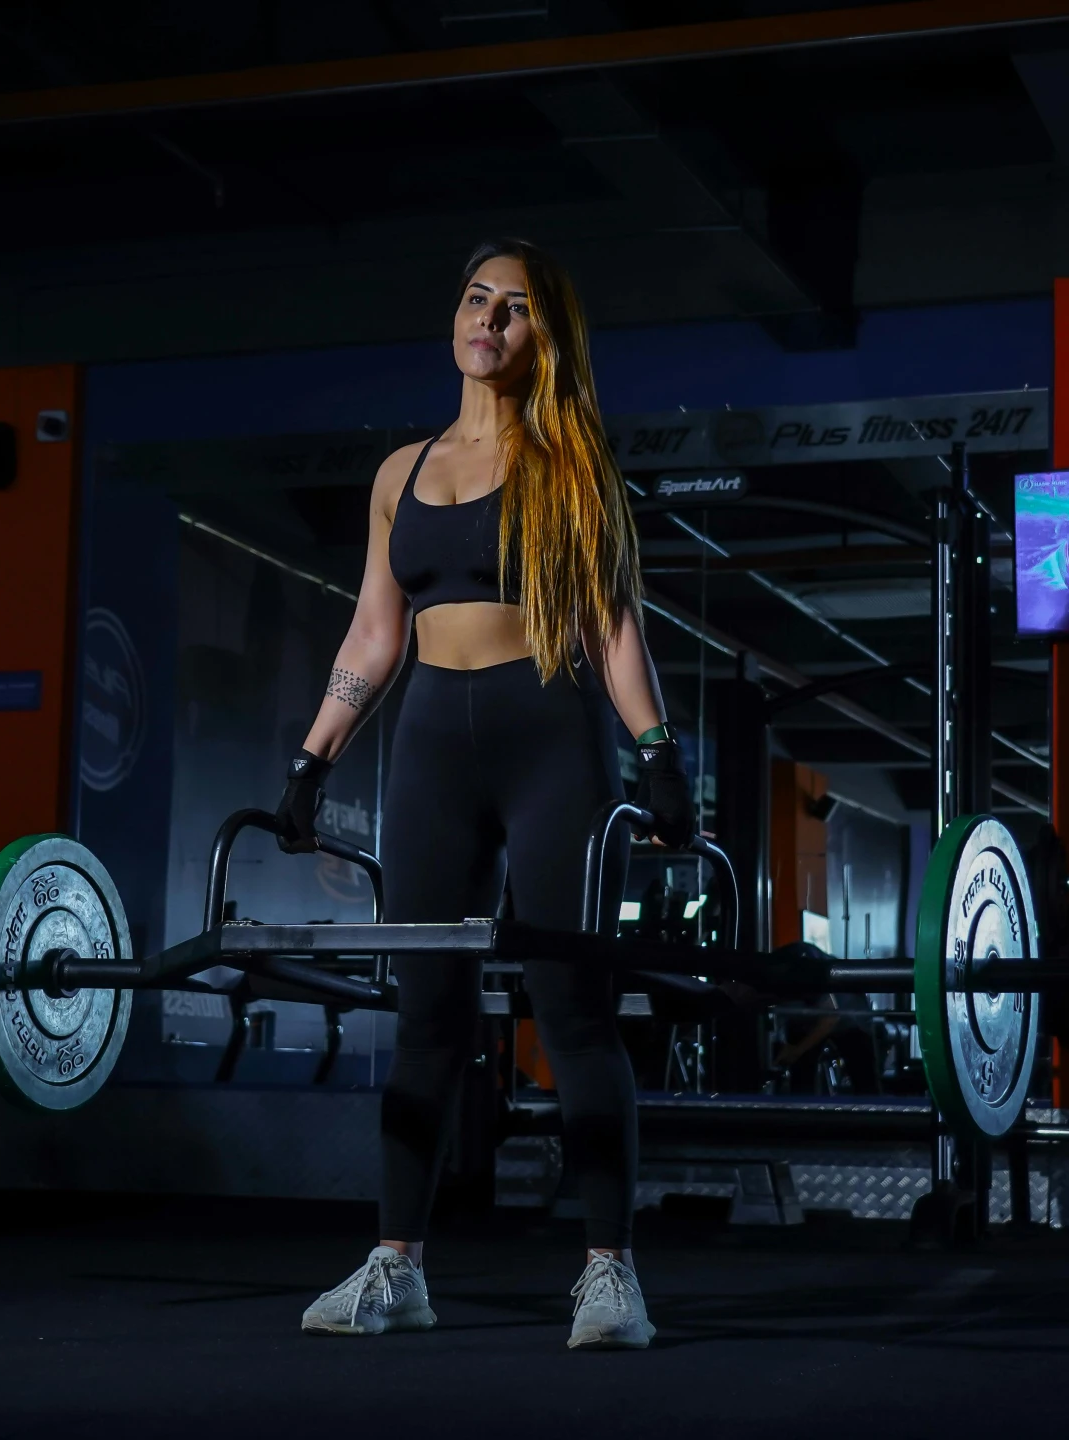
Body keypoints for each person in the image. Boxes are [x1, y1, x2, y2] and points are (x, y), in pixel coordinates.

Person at [275, 238, 695, 1350]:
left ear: (540, 337)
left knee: (573, 1011)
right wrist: (313, 757)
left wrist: (658, 752)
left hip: (550, 737)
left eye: (514, 310)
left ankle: (611, 1275)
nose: (490, 322)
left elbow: (611, 625)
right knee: (427, 1018)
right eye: (476, 299)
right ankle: (396, 1267)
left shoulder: (574, 464)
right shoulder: (400, 472)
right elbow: (376, 629)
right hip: (427, 747)